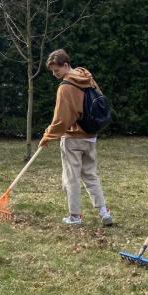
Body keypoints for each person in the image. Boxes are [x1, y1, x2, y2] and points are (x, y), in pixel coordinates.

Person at [39, 49, 112, 226]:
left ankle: (74, 216)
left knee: (71, 177)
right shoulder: (86, 76)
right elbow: (100, 99)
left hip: (73, 139)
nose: (55, 75)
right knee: (90, 175)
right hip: (91, 136)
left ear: (65, 65)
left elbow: (61, 120)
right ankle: (104, 212)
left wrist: (47, 136)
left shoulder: (65, 87)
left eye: (56, 70)